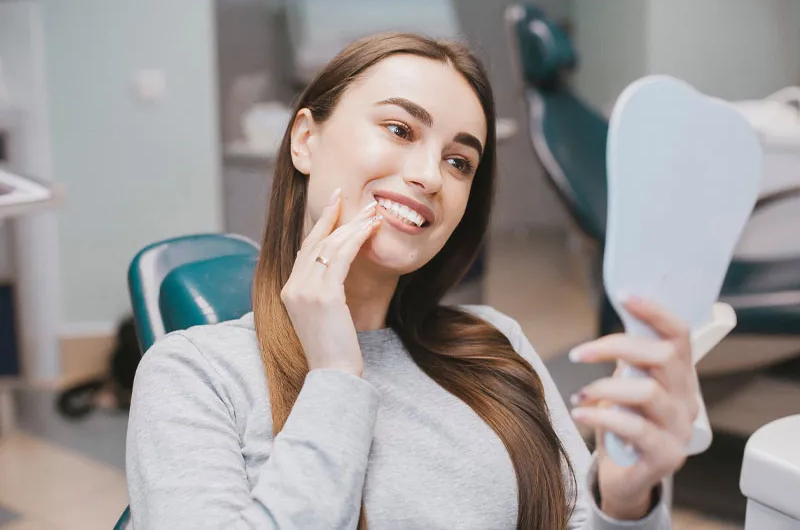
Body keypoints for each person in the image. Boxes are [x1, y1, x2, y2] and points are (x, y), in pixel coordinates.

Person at [126, 32, 699, 530]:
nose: (429, 176)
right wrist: (334, 376)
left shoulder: (497, 345)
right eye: (400, 129)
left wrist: (625, 502)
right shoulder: (195, 374)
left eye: (459, 162)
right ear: (305, 138)